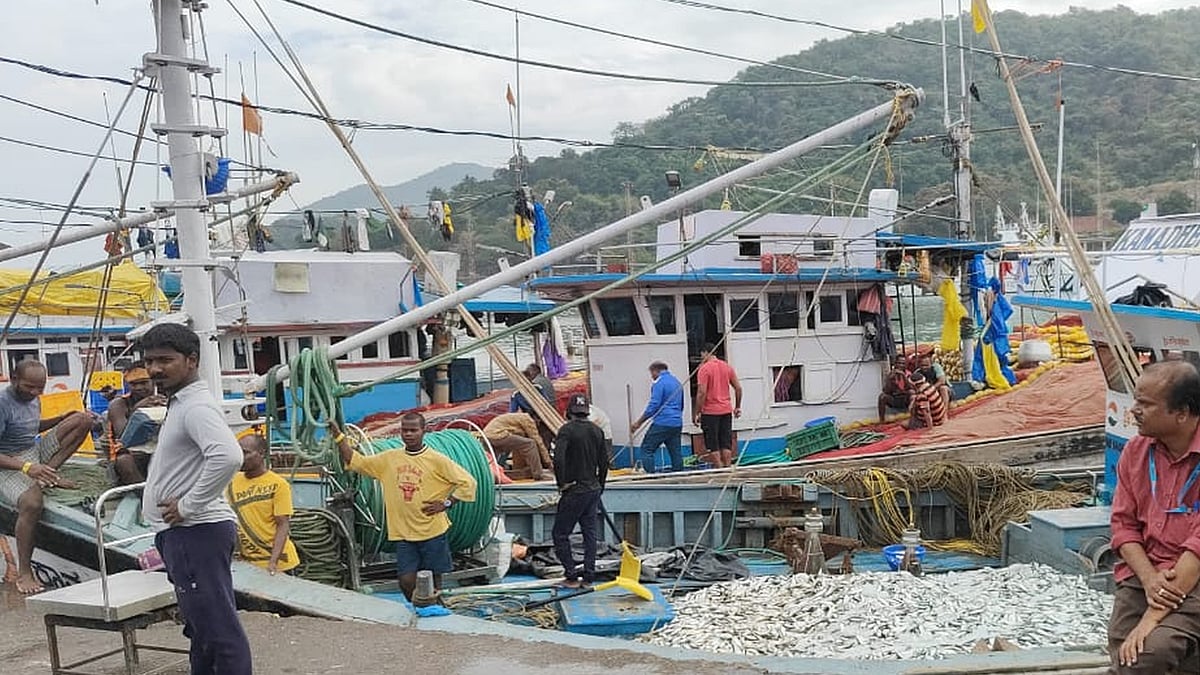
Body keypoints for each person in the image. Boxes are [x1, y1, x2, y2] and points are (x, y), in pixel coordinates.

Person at [140, 324, 251, 673]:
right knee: (201, 629)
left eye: (165, 360)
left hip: (195, 532)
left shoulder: (195, 408)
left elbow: (229, 456)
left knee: (218, 631)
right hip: (187, 534)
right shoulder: (181, 403)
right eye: (150, 361)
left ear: (191, 360)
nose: (156, 369)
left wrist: (188, 505)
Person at [1108, 361, 1200, 673]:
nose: (1134, 410)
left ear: (1182, 412)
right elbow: (1123, 527)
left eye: (1145, 404)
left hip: (1193, 575)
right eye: (1136, 401)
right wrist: (1149, 580)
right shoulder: (1135, 451)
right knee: (1124, 654)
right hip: (1145, 571)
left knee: (1147, 656)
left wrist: (1150, 619)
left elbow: (1197, 550)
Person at [332, 412, 476, 601]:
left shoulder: (437, 460)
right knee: (406, 581)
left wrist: (447, 503)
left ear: (423, 431)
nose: (408, 434)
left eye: (413, 430)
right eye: (405, 430)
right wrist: (339, 436)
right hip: (404, 534)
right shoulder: (389, 459)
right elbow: (356, 461)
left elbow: (468, 482)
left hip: (432, 531)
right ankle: (419, 606)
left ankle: (433, 610)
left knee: (433, 581)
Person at [0, 360, 92, 594]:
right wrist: (26, 468)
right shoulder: (2, 404)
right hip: (9, 463)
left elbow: (30, 428)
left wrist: (61, 419)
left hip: (33, 452)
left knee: (83, 420)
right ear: (14, 379)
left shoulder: (34, 400)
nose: (34, 393)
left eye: (39, 388)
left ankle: (47, 474)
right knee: (32, 503)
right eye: (29, 387)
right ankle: (25, 571)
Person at [552, 394, 608, 589]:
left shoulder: (566, 431)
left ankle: (571, 576)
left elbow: (558, 459)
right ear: (587, 412)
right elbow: (604, 462)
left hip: (574, 489)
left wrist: (562, 483)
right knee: (589, 534)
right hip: (592, 489)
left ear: (569, 412)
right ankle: (589, 577)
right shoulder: (597, 431)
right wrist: (600, 485)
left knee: (560, 534)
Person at [228, 434, 299, 576]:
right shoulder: (231, 483)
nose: (241, 457)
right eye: (238, 451)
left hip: (278, 564)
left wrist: (273, 562)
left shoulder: (278, 485)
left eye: (246, 452)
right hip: (248, 564)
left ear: (261, 454)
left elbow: (282, 524)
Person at [109, 362, 167, 485]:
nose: (139, 387)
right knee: (124, 461)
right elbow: (123, 436)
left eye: (144, 382)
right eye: (134, 384)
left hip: (161, 452)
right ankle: (145, 497)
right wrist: (137, 410)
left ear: (153, 381)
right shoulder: (119, 404)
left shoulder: (165, 398)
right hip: (131, 456)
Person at [693, 343, 742, 468]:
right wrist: (737, 407)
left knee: (712, 442)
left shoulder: (704, 369)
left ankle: (719, 469)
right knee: (725, 442)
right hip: (726, 410)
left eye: (701, 354)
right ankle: (727, 467)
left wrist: (698, 412)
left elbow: (701, 393)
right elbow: (738, 388)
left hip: (710, 412)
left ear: (705, 352)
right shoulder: (727, 367)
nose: (701, 357)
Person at [631, 361, 684, 473]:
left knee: (647, 449)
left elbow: (653, 405)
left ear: (656, 371)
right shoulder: (677, 382)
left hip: (662, 422)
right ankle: (679, 476)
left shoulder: (659, 383)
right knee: (675, 452)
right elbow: (681, 404)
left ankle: (651, 476)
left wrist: (639, 422)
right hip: (676, 422)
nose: (651, 376)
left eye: (651, 373)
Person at [482, 412, 554, 481]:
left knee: (490, 461)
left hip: (486, 436)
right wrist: (548, 462)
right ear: (537, 419)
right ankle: (538, 475)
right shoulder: (528, 419)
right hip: (497, 434)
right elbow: (538, 441)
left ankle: (490, 476)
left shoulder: (517, 418)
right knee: (530, 444)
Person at [877, 356, 912, 423]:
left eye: (903, 363)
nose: (901, 365)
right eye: (899, 363)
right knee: (882, 397)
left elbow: (910, 388)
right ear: (895, 364)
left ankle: (913, 416)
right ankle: (882, 421)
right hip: (895, 399)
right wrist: (890, 380)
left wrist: (903, 376)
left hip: (905, 399)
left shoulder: (908, 374)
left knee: (912, 393)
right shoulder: (891, 374)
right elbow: (886, 391)